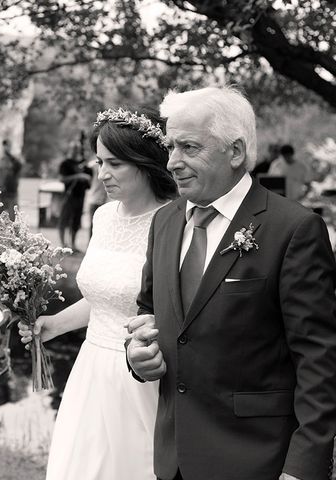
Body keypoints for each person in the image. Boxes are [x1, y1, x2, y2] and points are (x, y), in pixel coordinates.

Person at [127, 86, 336, 480]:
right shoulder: (165, 221)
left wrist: (303, 468)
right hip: (173, 461)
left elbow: (319, 363)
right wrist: (137, 355)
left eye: (189, 148)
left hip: (257, 460)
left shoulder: (293, 229)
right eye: (170, 146)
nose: (172, 162)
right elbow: (149, 310)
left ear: (236, 152)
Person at [19, 106, 178, 480]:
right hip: (90, 370)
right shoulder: (103, 217)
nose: (101, 174)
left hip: (140, 374)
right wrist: (54, 324)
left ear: (145, 164)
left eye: (115, 164)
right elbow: (101, 297)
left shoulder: (174, 222)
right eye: (99, 162)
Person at [57, 154, 91, 252]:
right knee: (64, 220)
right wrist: (78, 176)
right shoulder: (65, 164)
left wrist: (85, 177)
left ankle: (73, 245)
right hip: (69, 197)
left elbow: (89, 185)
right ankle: (63, 244)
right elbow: (62, 179)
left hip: (80, 197)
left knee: (76, 221)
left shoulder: (86, 167)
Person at [0, 138, 22, 220]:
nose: (6, 148)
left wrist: (10, 155)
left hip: (11, 194)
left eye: (8, 146)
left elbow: (19, 166)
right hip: (0, 193)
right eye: (5, 146)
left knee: (13, 218)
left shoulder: (14, 162)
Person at [84, 155, 108, 239]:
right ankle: (91, 243)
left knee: (100, 224)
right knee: (93, 223)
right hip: (94, 198)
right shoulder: (93, 165)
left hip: (103, 199)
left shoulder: (104, 164)